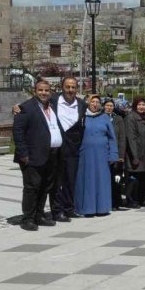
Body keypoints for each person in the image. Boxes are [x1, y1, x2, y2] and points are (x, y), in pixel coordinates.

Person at [12, 80, 63, 230]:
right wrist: (23, 153)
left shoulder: (52, 105)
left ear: (51, 92)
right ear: (35, 91)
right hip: (32, 156)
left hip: (51, 155)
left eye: (47, 90)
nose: (44, 93)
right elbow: (18, 132)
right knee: (32, 188)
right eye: (40, 90)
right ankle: (28, 218)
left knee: (45, 187)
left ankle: (39, 215)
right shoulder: (26, 108)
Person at [74, 95, 119, 216]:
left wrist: (113, 155)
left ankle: (102, 208)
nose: (95, 104)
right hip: (85, 155)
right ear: (88, 103)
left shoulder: (104, 118)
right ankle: (86, 209)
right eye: (92, 102)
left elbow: (112, 138)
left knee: (101, 180)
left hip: (102, 156)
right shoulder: (81, 117)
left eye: (97, 102)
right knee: (87, 181)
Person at [51, 77, 86, 222]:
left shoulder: (82, 104)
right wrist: (16, 108)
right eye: (67, 87)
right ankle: (57, 211)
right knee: (56, 181)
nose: (70, 90)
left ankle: (69, 209)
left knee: (70, 180)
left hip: (73, 148)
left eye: (73, 87)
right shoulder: (53, 101)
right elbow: (33, 105)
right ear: (62, 87)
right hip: (56, 148)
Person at [124, 97, 145, 208]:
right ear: (135, 105)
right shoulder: (131, 117)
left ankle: (141, 199)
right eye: (139, 105)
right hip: (136, 153)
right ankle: (131, 200)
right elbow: (131, 137)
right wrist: (135, 156)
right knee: (134, 179)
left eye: (143, 104)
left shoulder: (144, 116)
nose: (141, 107)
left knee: (143, 178)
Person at [103, 98, 127, 209]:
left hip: (116, 154)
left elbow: (122, 138)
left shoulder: (118, 119)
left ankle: (116, 202)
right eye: (107, 105)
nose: (109, 108)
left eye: (111, 106)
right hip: (103, 154)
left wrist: (121, 155)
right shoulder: (100, 118)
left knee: (116, 179)